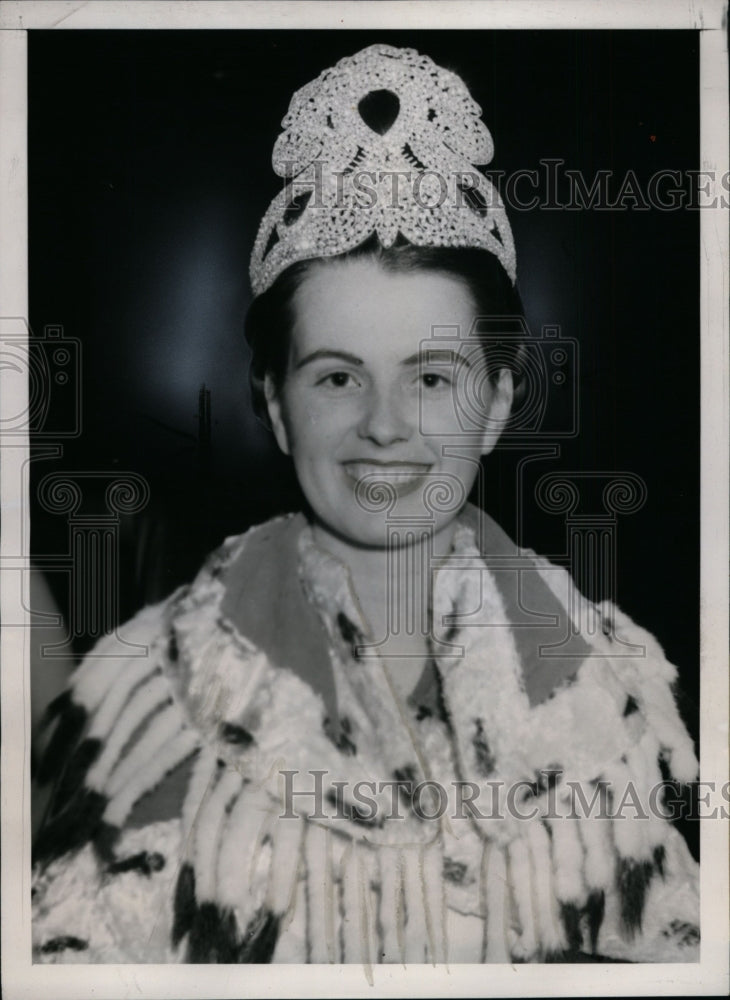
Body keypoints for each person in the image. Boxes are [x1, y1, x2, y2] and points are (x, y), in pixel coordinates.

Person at [31, 43, 699, 966]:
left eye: (431, 377)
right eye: (339, 376)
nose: (385, 426)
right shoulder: (151, 700)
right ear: (275, 404)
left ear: (498, 405)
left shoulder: (604, 689)